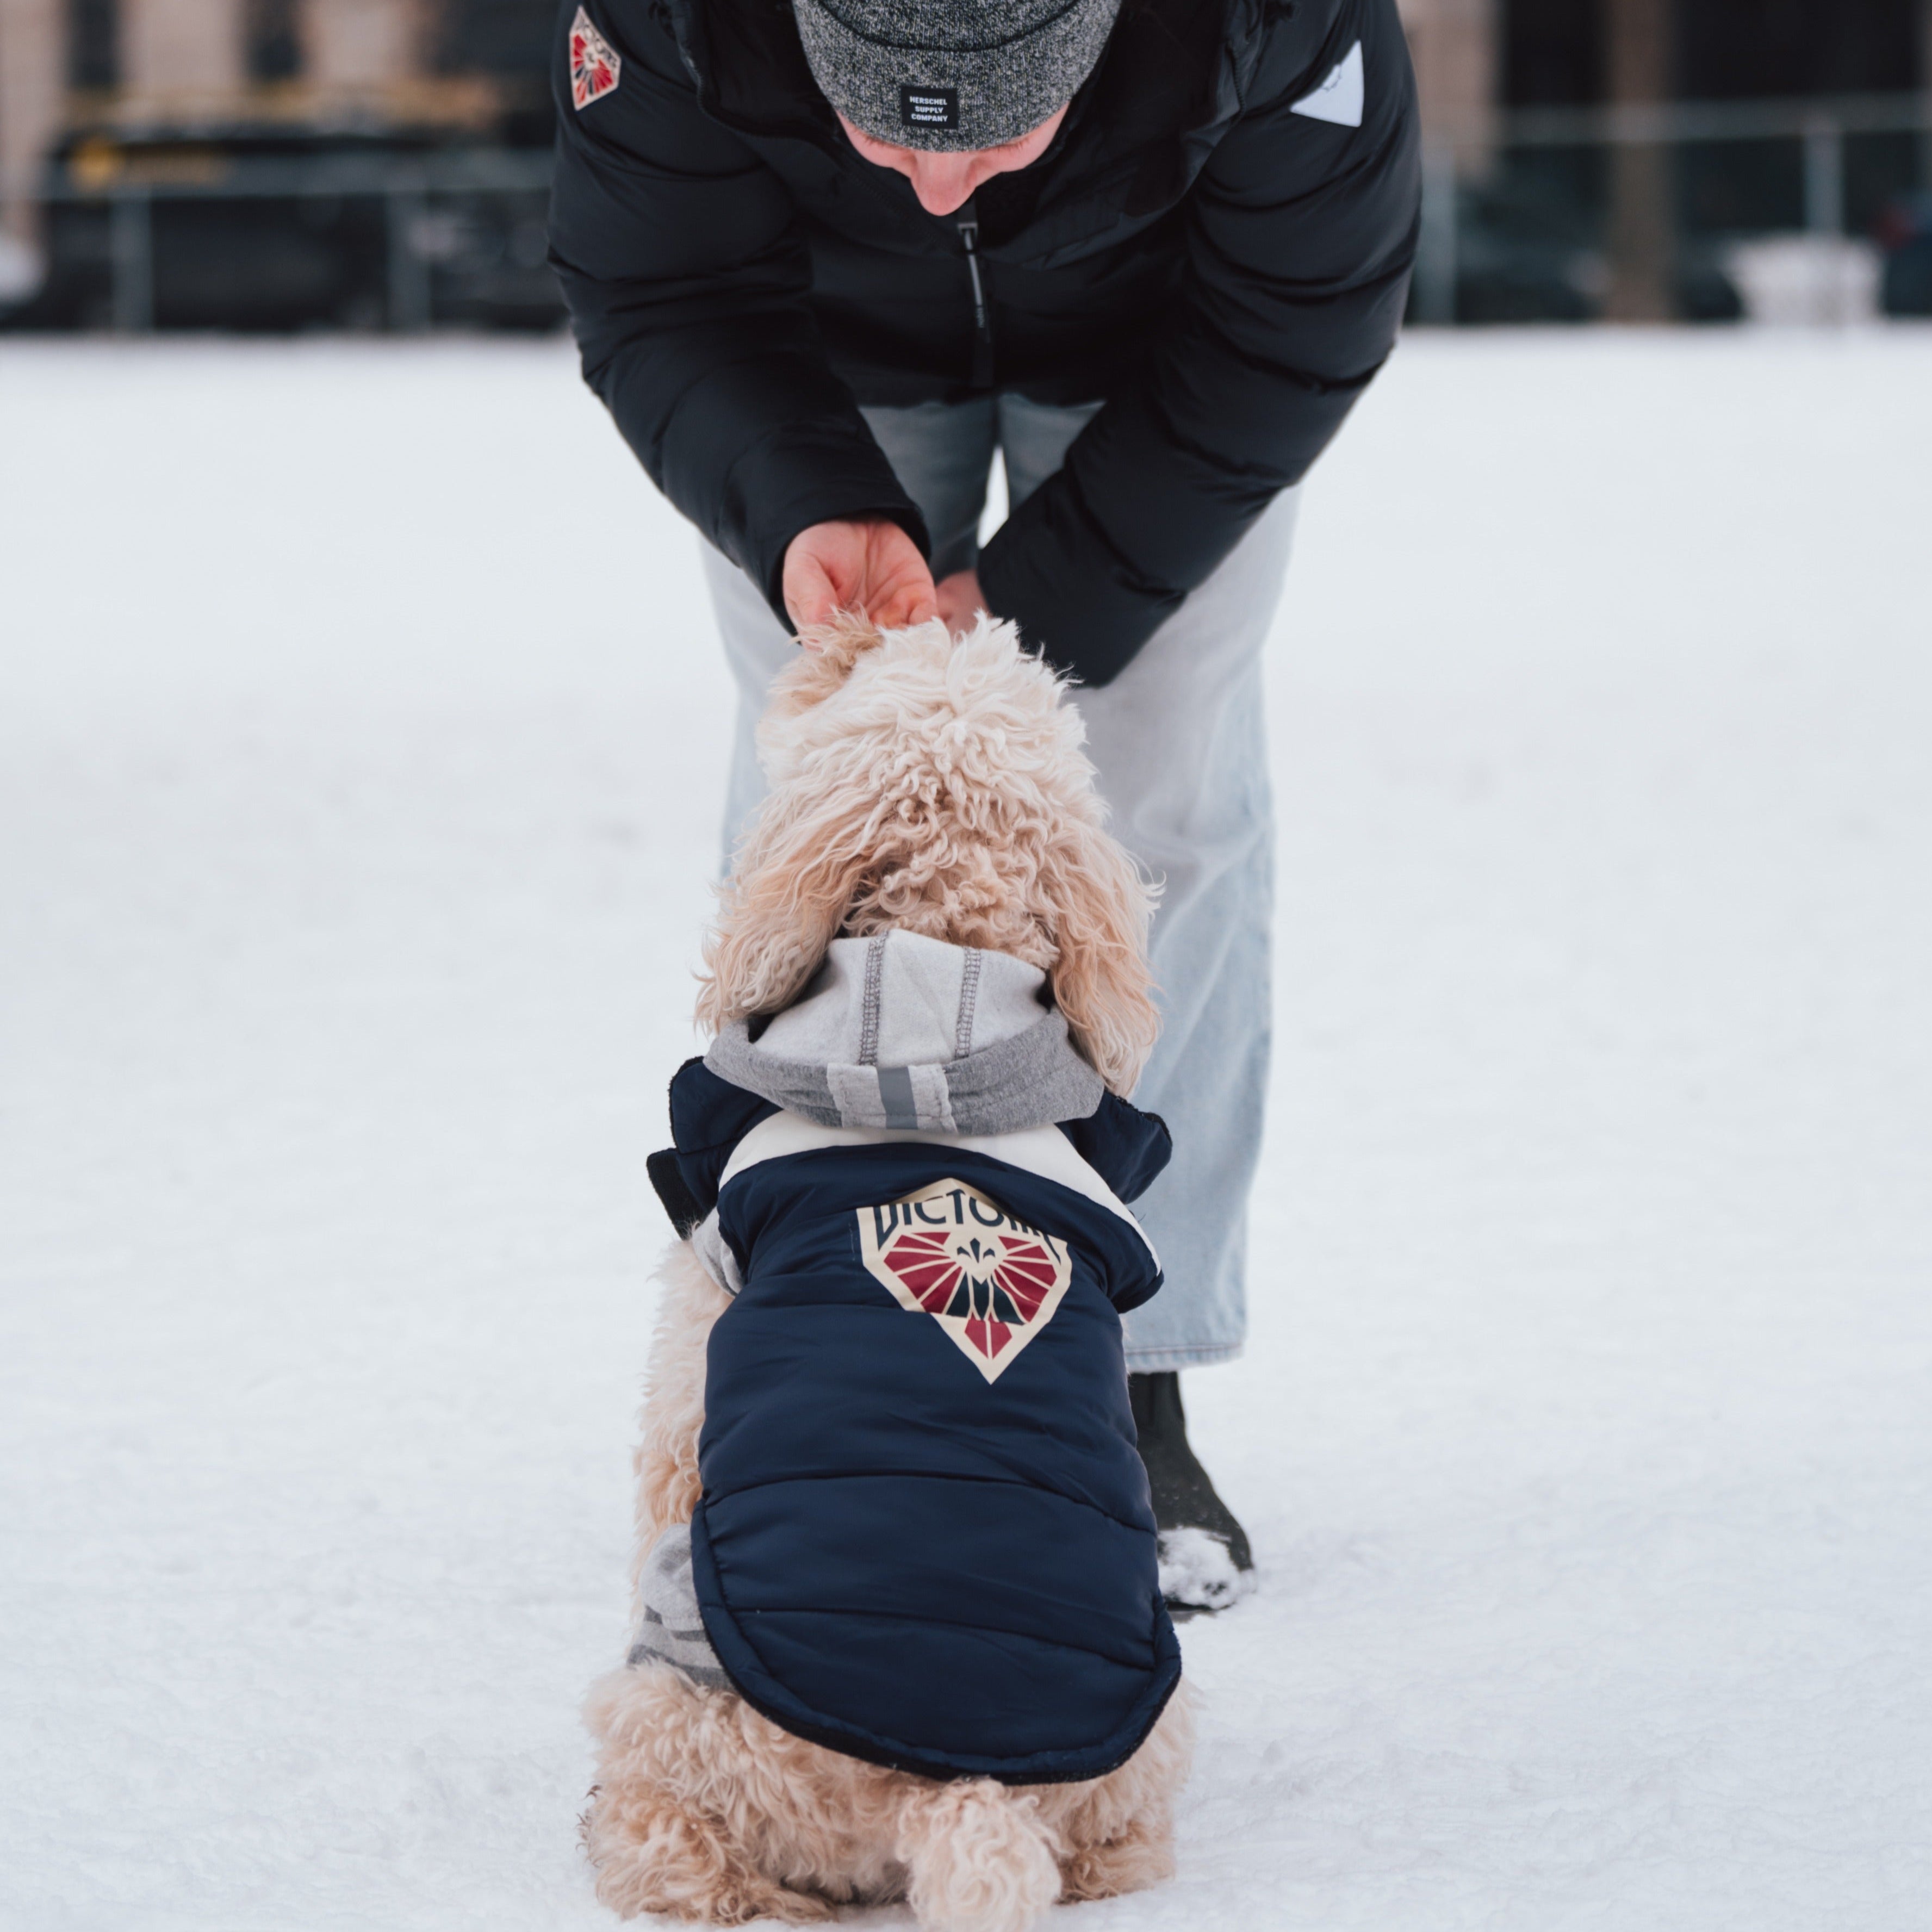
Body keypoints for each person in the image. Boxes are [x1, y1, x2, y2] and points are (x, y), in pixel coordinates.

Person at [549, 0, 1420, 1611]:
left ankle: (1125, 1355)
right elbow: (659, 287)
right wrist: (797, 503)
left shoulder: (1277, 22)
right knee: (823, 809)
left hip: (1171, 358)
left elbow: (1292, 327)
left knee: (1155, 806)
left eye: (991, 141)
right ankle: (816, 1309)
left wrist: (1040, 607)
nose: (936, 190)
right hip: (810, 353)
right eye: (884, 137)